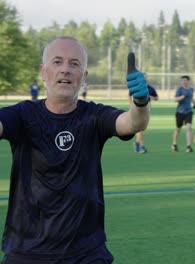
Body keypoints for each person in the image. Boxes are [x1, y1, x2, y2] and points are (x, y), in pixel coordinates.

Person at [0, 36, 150, 263]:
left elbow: (133, 123)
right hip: (26, 253)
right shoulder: (22, 115)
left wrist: (140, 101)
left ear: (84, 76)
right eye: (57, 62)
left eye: (74, 64)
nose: (65, 70)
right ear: (43, 72)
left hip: (86, 254)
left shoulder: (95, 115)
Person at [133, 74, 159, 153]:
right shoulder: (137, 88)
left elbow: (157, 98)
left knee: (141, 128)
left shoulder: (150, 88)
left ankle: (137, 142)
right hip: (138, 109)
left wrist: (152, 97)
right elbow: (130, 95)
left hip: (147, 108)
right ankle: (142, 146)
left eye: (144, 78)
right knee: (141, 128)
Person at [172, 75, 195, 153]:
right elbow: (175, 99)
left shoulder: (191, 89)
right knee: (178, 129)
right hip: (180, 112)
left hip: (188, 111)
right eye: (182, 80)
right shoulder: (180, 89)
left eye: (185, 80)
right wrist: (182, 96)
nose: (184, 82)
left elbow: (191, 97)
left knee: (189, 127)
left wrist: (194, 103)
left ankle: (188, 146)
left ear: (188, 81)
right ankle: (174, 144)